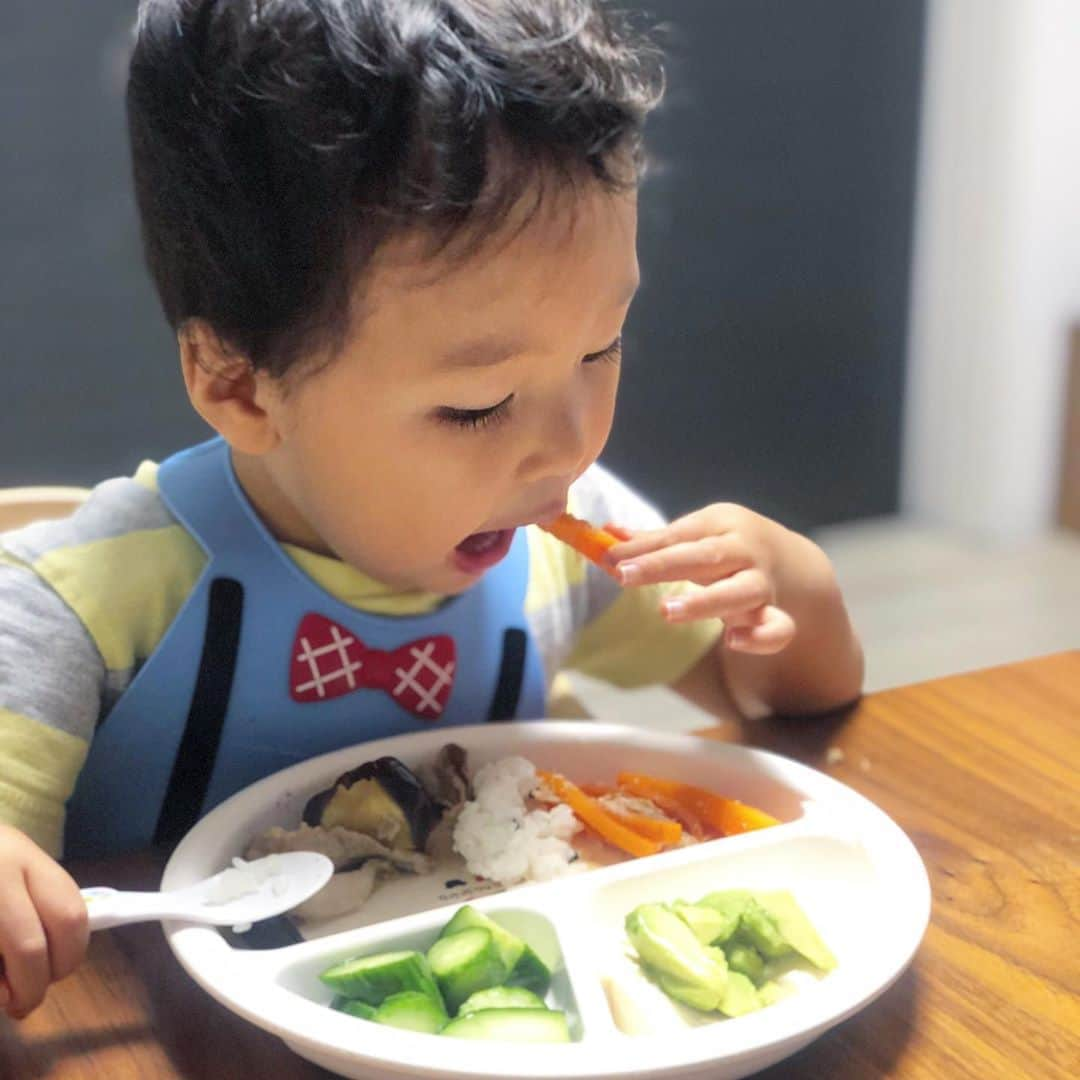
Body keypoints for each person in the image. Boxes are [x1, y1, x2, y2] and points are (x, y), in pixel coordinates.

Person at [0, 0, 863, 1020]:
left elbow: (787, 703)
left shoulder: (565, 532)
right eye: (478, 404)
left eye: (603, 347)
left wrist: (789, 585)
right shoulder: (87, 601)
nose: (570, 442)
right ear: (239, 386)